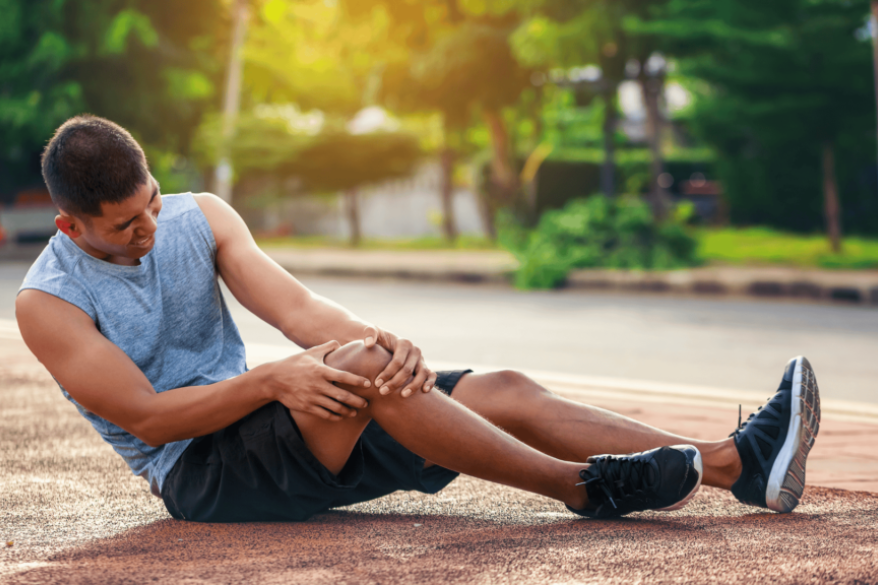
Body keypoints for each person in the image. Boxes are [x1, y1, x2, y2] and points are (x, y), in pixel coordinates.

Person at [16, 115, 821, 522]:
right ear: (72, 226)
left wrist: (379, 342)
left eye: (153, 203)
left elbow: (299, 310)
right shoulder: (48, 302)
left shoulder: (203, 216)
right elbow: (150, 419)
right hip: (204, 472)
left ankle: (737, 466)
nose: (151, 228)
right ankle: (582, 487)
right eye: (126, 224)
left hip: (287, 423)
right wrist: (272, 381)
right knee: (359, 370)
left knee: (500, 387)